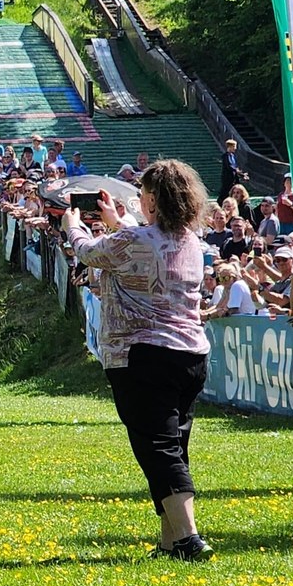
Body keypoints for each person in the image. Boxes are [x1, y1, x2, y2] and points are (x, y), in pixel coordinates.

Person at [63, 159, 214, 561]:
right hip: (190, 354)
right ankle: (170, 542)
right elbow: (142, 243)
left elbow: (88, 252)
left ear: (151, 200)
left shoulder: (132, 240)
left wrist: (72, 225)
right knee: (173, 446)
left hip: (142, 355)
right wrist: (118, 221)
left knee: (157, 448)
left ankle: (189, 538)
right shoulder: (191, 241)